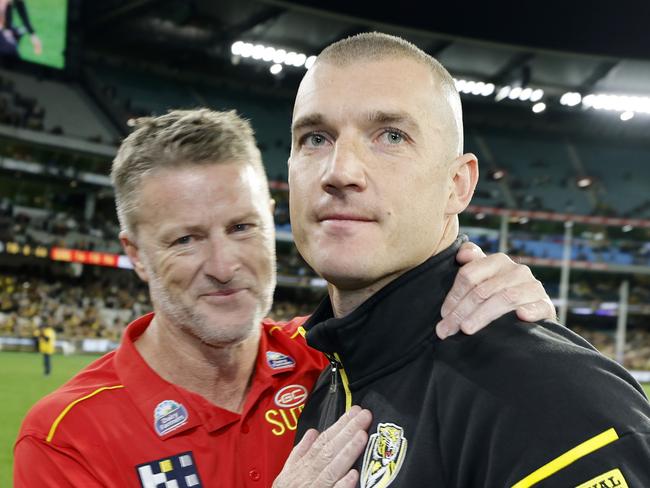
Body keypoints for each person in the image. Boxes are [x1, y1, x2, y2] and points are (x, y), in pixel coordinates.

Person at [14, 109, 554, 487]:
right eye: (186, 239)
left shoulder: (332, 359)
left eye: (243, 227)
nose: (225, 266)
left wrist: (509, 309)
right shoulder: (67, 438)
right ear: (134, 252)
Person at [290, 32, 650, 487]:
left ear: (458, 185)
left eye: (391, 136)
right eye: (315, 137)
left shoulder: (549, 397)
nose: (338, 171)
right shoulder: (328, 379)